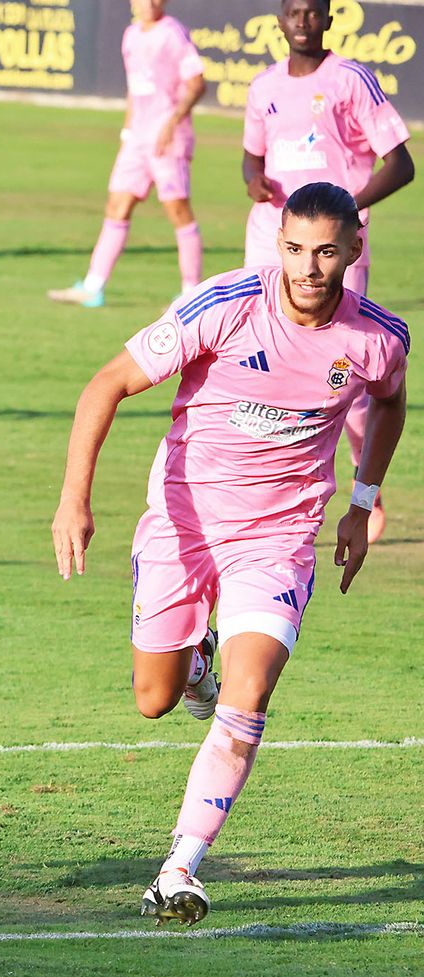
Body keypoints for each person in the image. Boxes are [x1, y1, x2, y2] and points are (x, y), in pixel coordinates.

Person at [52, 182, 408, 926]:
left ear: (352, 250)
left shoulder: (377, 336)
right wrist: (73, 500)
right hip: (184, 526)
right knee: (154, 697)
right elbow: (106, 384)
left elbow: (390, 399)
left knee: (249, 700)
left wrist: (363, 499)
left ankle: (178, 869)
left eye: (325, 251)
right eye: (295, 249)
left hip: (278, 542)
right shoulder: (225, 305)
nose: (308, 267)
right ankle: (194, 666)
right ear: (277, 242)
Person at [242, 0, 413, 539]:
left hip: (332, 249)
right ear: (279, 20)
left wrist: (344, 210)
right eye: (292, 11)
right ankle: (265, 487)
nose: (302, 21)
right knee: (259, 360)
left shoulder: (351, 80)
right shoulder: (262, 86)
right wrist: (253, 180)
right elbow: (252, 156)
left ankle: (368, 490)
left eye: (312, 12)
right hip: (271, 240)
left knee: (350, 374)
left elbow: (402, 164)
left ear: (328, 18)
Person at [49, 0, 205, 309]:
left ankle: (192, 293)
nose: (149, 3)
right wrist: (126, 133)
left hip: (167, 138)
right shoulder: (131, 35)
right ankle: (93, 287)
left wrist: (173, 122)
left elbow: (197, 83)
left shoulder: (172, 34)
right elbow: (135, 90)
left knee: (177, 210)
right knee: (117, 204)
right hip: (137, 138)